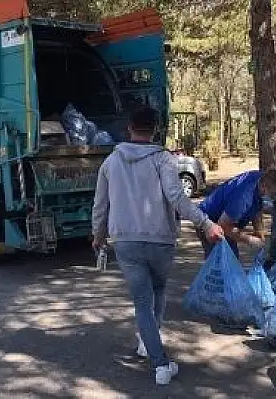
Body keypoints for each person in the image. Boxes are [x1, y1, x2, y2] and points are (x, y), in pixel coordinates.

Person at [91, 106, 224, 386]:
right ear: (155, 129)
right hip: (160, 241)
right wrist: (206, 224)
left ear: (129, 128)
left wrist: (98, 235)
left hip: (125, 241)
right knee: (158, 290)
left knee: (142, 302)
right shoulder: (163, 160)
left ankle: (148, 344)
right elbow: (178, 199)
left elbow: (100, 205)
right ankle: (160, 362)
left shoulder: (111, 161)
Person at [196, 168, 276, 259]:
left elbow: (256, 207)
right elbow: (223, 225)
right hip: (208, 222)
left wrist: (259, 232)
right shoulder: (243, 198)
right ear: (264, 187)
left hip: (224, 221)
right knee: (222, 264)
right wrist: (249, 239)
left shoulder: (261, 180)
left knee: (231, 261)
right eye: (274, 194)